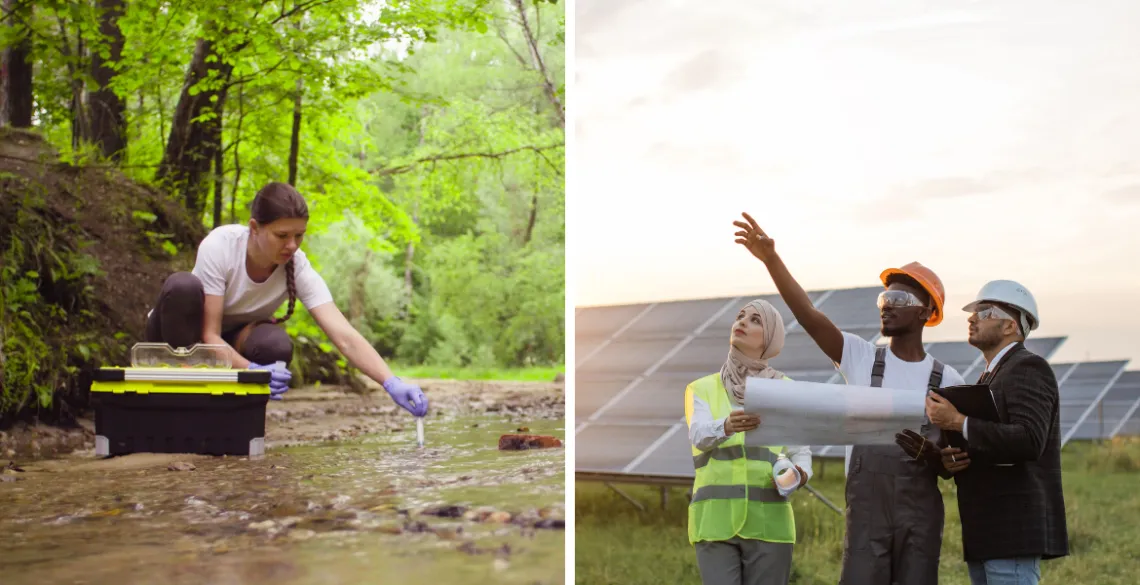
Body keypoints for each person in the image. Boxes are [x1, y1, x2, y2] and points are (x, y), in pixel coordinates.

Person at [732, 212, 965, 585]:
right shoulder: (861, 358)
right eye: (884, 297)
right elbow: (808, 315)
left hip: (919, 516)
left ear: (925, 312)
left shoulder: (947, 380)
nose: (886, 305)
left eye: (899, 298)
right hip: (867, 513)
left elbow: (953, 464)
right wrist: (771, 259)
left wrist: (939, 458)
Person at [143, 181, 428, 417]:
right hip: (181, 336)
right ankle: (175, 406)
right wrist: (252, 371)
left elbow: (344, 336)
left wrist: (391, 382)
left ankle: (233, 417)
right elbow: (208, 334)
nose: (291, 245)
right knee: (182, 286)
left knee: (275, 344)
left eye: (299, 236)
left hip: (231, 342)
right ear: (254, 228)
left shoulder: (297, 266)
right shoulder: (221, 246)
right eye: (282, 235)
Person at [925, 280, 1069, 585]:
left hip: (1011, 530)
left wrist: (958, 422)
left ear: (1009, 326)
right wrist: (956, 458)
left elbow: (1029, 440)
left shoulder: (1028, 367)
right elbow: (994, 441)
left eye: (984, 312)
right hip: (988, 530)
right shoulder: (992, 374)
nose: (972, 318)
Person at [685, 299, 812, 585]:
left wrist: (801, 474)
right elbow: (698, 435)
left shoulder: (787, 390)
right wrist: (726, 426)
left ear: (770, 338)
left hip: (770, 523)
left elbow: (800, 450)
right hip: (714, 523)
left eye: (756, 320)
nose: (742, 322)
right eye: (740, 316)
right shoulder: (701, 388)